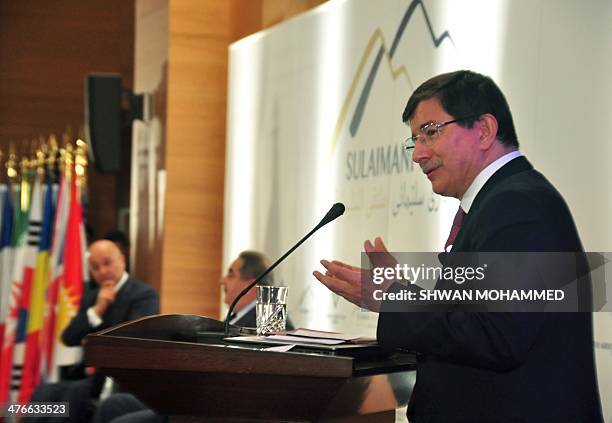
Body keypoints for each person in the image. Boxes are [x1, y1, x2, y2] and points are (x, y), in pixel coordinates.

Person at [313, 70, 603, 422]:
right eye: (414, 141)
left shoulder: (519, 205)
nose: (418, 154)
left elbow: (496, 336)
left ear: (483, 130)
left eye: (430, 133)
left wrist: (396, 296)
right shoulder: (503, 200)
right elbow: (477, 319)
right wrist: (402, 290)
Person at [94, 250, 291, 423]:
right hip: (194, 398)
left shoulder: (270, 321)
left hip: (215, 408)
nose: (222, 280)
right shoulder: (236, 318)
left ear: (251, 285)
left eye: (230, 274)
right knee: (114, 404)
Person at [28, 239, 160, 423]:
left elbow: (135, 336)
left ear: (122, 260)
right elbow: (69, 337)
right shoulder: (92, 297)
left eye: (107, 263)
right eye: (95, 267)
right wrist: (96, 310)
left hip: (115, 377)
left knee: (70, 397)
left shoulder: (143, 294)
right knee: (43, 393)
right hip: (85, 375)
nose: (103, 271)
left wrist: (92, 341)